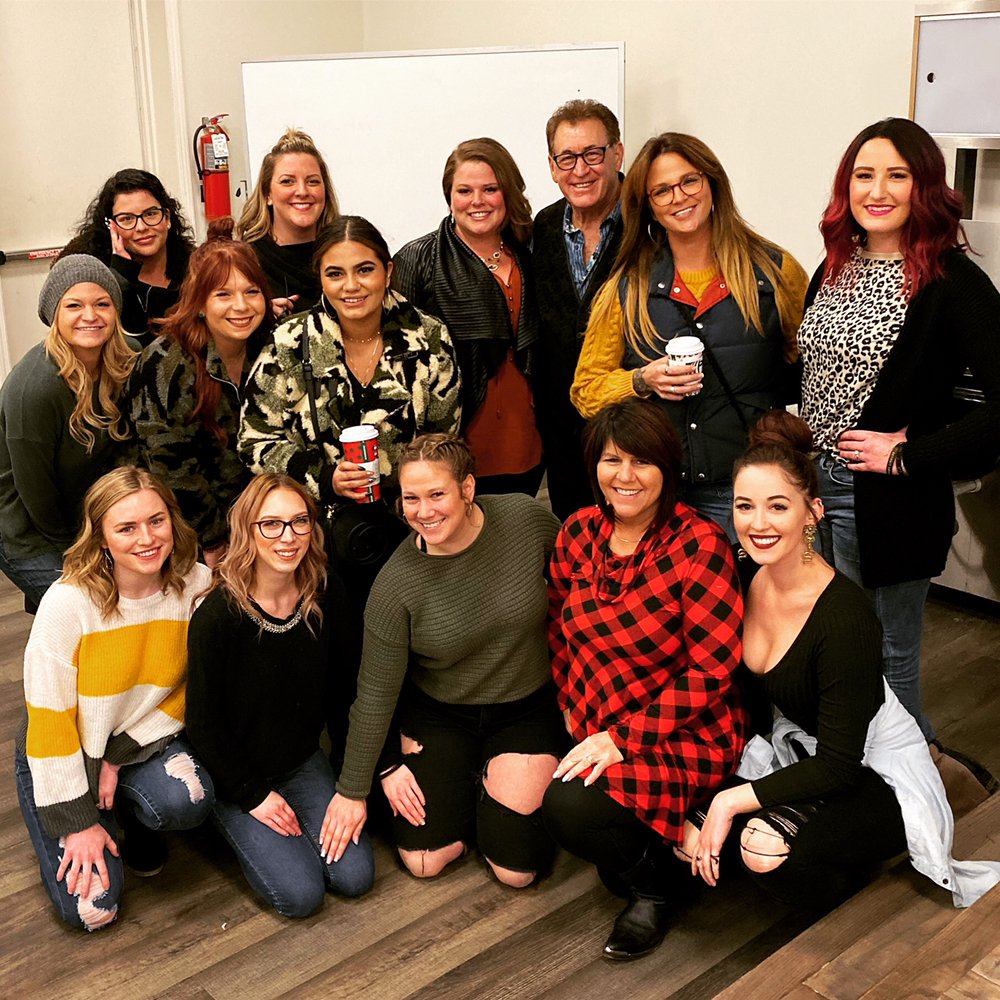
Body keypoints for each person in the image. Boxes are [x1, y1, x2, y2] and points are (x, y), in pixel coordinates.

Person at [689, 410, 1000, 913]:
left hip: (870, 769)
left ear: (812, 511)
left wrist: (729, 800)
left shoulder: (843, 616)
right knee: (689, 839)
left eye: (777, 506)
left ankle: (851, 879)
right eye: (745, 506)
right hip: (804, 749)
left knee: (761, 850)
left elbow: (838, 765)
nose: (758, 523)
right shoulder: (746, 574)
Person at [798, 117, 1000, 744]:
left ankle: (914, 789)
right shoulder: (835, 265)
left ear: (924, 187)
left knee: (888, 661)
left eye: (897, 175)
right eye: (864, 175)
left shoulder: (952, 281)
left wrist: (911, 454)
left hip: (886, 502)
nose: (877, 190)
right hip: (817, 492)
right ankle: (850, 773)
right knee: (834, 647)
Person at [542, 398, 746, 960]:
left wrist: (621, 739)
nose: (625, 476)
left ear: (667, 468)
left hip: (687, 729)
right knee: (569, 815)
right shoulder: (577, 533)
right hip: (596, 718)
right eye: (612, 460)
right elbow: (557, 626)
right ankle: (662, 849)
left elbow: (713, 670)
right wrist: (570, 704)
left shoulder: (699, 544)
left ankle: (653, 891)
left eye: (642, 461)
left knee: (569, 807)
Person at [320, 434, 566, 889]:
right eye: (411, 498)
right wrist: (353, 791)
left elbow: (578, 587)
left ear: (467, 488)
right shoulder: (394, 585)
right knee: (423, 861)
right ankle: (473, 789)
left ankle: (491, 793)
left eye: (437, 494)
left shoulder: (525, 519)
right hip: (442, 714)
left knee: (516, 872)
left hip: (525, 706)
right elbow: (374, 695)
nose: (423, 511)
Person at [571, 132, 807, 538]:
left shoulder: (773, 272)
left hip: (747, 492)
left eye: (689, 181)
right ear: (648, 206)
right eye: (662, 191)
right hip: (658, 494)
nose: (678, 197)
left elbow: (811, 366)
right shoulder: (626, 288)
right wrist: (642, 380)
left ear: (712, 183)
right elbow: (585, 392)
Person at [13, 467, 214, 931]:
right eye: (126, 528)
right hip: (65, 745)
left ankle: (130, 810)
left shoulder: (197, 583)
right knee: (92, 912)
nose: (147, 538)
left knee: (187, 798)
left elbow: (195, 688)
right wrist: (77, 822)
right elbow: (49, 721)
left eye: (157, 521)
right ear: (101, 538)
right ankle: (99, 814)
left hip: (141, 735)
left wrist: (119, 755)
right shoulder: (67, 602)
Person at [185, 474, 374, 918]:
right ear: (247, 530)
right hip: (237, 773)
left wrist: (352, 783)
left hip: (301, 760)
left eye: (299, 521)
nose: (288, 537)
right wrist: (252, 795)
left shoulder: (326, 590)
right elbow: (203, 724)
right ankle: (222, 823)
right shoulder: (217, 615)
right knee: (300, 896)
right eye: (271, 524)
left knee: (355, 877)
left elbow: (348, 691)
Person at [393, 138, 544, 496]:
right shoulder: (418, 259)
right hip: (455, 446)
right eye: (464, 190)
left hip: (528, 440)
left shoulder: (531, 251)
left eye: (490, 189)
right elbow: (397, 361)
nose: (477, 201)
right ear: (449, 197)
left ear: (507, 192)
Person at [125, 217, 274, 567]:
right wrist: (213, 537)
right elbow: (171, 467)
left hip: (254, 516)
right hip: (180, 527)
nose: (241, 306)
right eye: (224, 294)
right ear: (201, 304)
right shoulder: (166, 362)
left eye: (251, 291)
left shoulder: (269, 347)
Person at [0, 255, 136, 610]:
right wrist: (77, 559)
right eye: (74, 305)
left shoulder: (128, 360)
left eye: (102, 304)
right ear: (54, 315)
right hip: (24, 526)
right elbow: (37, 498)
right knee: (91, 607)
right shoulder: (35, 389)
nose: (90, 315)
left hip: (84, 512)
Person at [533, 99, 625, 520]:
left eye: (592, 154)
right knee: (577, 542)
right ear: (553, 167)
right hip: (563, 437)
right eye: (567, 158)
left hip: (631, 432)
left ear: (617, 154)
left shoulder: (651, 223)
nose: (580, 170)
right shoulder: (543, 226)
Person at [60, 169, 196, 339]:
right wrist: (121, 275)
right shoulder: (92, 274)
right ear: (111, 226)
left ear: (167, 218)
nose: (141, 227)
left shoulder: (197, 266)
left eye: (150, 214)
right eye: (127, 219)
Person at [236, 128, 340, 317]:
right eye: (287, 181)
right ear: (267, 194)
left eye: (313, 182)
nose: (302, 191)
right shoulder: (244, 261)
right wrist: (258, 316)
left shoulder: (344, 251)